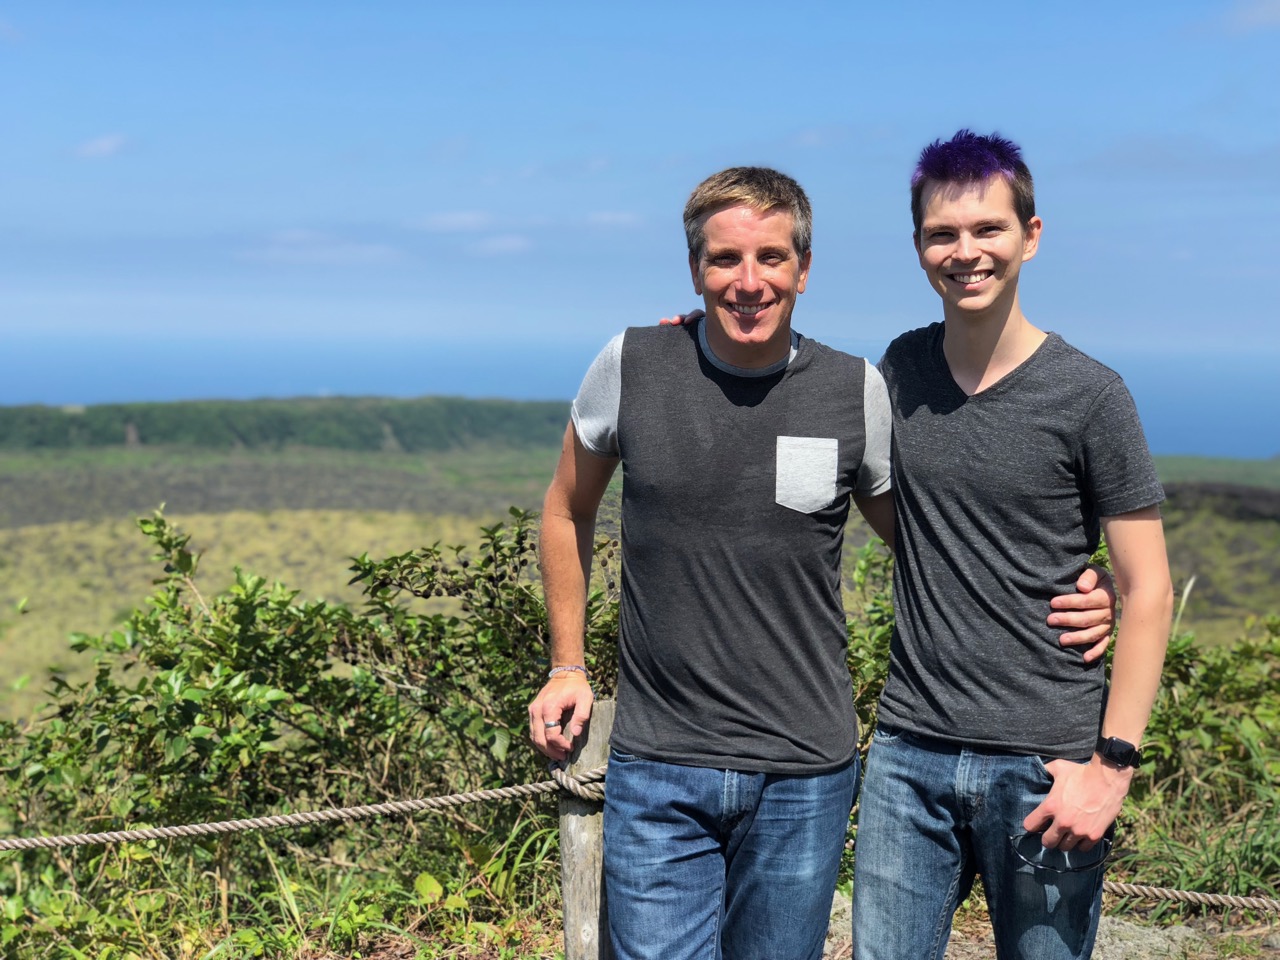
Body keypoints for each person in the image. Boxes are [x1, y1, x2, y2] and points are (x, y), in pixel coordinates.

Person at [527, 166, 1114, 960]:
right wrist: (567, 666)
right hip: (660, 763)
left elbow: (942, 540)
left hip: (804, 778)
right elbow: (566, 508)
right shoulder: (632, 364)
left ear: (804, 269)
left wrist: (1085, 585)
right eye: (724, 259)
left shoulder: (855, 390)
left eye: (772, 257)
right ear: (695, 269)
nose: (749, 281)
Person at [851, 130, 1174, 960]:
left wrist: (1112, 768)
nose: (966, 252)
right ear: (919, 247)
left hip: (1046, 763)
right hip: (909, 752)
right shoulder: (900, 369)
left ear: (1031, 235)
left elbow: (1149, 588)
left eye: (988, 228)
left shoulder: (1091, 396)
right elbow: (896, 510)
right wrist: (692, 346)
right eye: (942, 234)